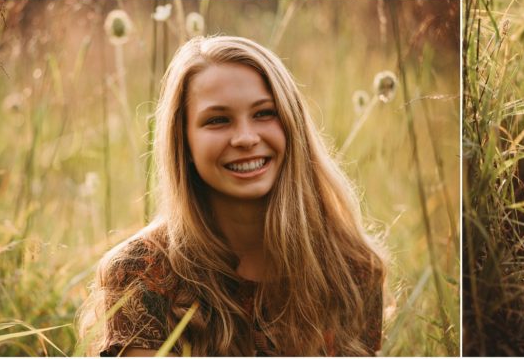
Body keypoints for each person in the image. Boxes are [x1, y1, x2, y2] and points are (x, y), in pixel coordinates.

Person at [79, 36, 385, 355]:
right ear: (184, 142)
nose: (245, 138)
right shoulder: (141, 271)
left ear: (293, 125)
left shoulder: (352, 269)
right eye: (217, 120)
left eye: (264, 113)